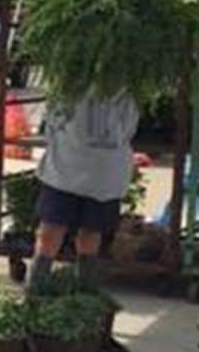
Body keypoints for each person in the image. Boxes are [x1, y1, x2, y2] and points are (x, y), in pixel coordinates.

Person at [27, 93, 139, 292]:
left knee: (86, 233)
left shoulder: (123, 89)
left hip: (92, 171)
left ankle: (82, 293)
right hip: (73, 168)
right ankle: (36, 291)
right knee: (52, 232)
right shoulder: (71, 85)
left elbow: (52, 123)